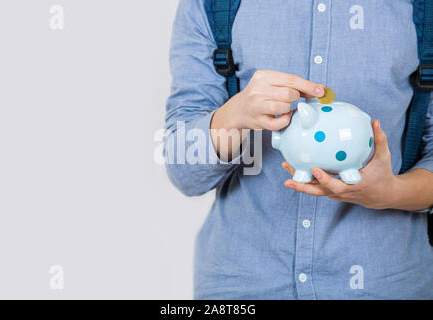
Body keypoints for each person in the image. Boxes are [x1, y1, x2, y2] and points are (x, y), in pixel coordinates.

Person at [164, 0, 433, 299]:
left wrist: (391, 192)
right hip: (241, 285)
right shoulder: (213, 5)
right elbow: (183, 169)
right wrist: (236, 115)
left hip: (387, 283)